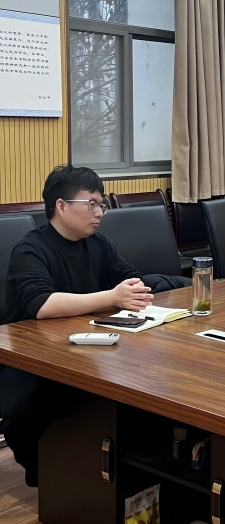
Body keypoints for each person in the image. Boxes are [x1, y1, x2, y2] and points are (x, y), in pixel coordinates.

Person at [0, 164, 152, 485]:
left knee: (137, 379)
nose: (100, 213)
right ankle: (44, 477)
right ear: (61, 206)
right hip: (26, 355)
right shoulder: (30, 249)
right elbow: (41, 305)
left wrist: (134, 288)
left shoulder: (97, 243)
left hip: (83, 345)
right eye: (91, 204)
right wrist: (112, 297)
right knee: (22, 405)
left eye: (102, 205)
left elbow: (128, 277)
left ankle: (107, 470)